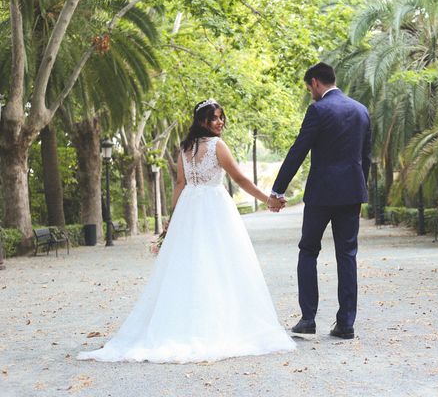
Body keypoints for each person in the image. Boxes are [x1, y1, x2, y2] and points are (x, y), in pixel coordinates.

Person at [77, 99, 295, 363]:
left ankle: (189, 322)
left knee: (190, 265)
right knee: (221, 263)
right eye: (215, 118)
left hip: (190, 210)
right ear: (202, 121)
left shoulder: (185, 148)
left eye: (221, 117)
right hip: (214, 209)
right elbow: (238, 179)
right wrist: (267, 199)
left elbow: (180, 184)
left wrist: (174, 217)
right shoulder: (217, 146)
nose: (220, 122)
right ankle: (216, 326)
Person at [269, 63, 371, 339]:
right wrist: (361, 188)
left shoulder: (318, 110)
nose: (309, 93)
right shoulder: (361, 110)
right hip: (352, 193)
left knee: (308, 250)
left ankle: (308, 319)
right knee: (347, 255)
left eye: (308, 88)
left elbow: (298, 150)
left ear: (314, 82)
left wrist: (278, 189)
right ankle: (346, 323)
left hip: (322, 194)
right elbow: (366, 157)